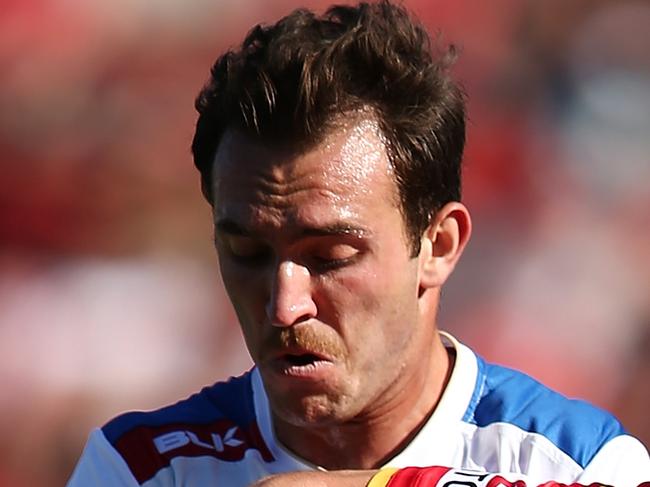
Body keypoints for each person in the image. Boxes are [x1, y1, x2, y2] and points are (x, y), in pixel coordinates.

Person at [67, 1, 650, 486]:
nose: (284, 304)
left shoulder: (580, 461)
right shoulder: (139, 470)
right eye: (248, 254)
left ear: (438, 245)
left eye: (330, 257)